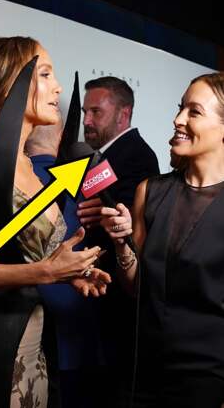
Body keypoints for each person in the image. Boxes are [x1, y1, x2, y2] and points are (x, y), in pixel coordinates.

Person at [0, 36, 111, 408]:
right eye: (45, 74)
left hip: (31, 346)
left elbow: (23, 256)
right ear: (10, 84)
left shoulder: (29, 166)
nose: (57, 87)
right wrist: (47, 272)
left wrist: (71, 273)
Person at [95, 72, 224, 408]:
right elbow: (136, 287)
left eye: (194, 112)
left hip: (208, 382)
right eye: (180, 108)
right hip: (140, 374)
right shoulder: (150, 191)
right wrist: (122, 244)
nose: (178, 119)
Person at [77, 76, 160, 405]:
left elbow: (129, 225)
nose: (86, 120)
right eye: (84, 112)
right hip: (92, 304)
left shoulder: (138, 156)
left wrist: (103, 211)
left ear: (123, 114)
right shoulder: (98, 158)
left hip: (116, 306)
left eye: (95, 112)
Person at [26, 119, 107, 408]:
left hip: (23, 334)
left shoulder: (10, 181)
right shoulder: (88, 186)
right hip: (76, 333)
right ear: (63, 138)